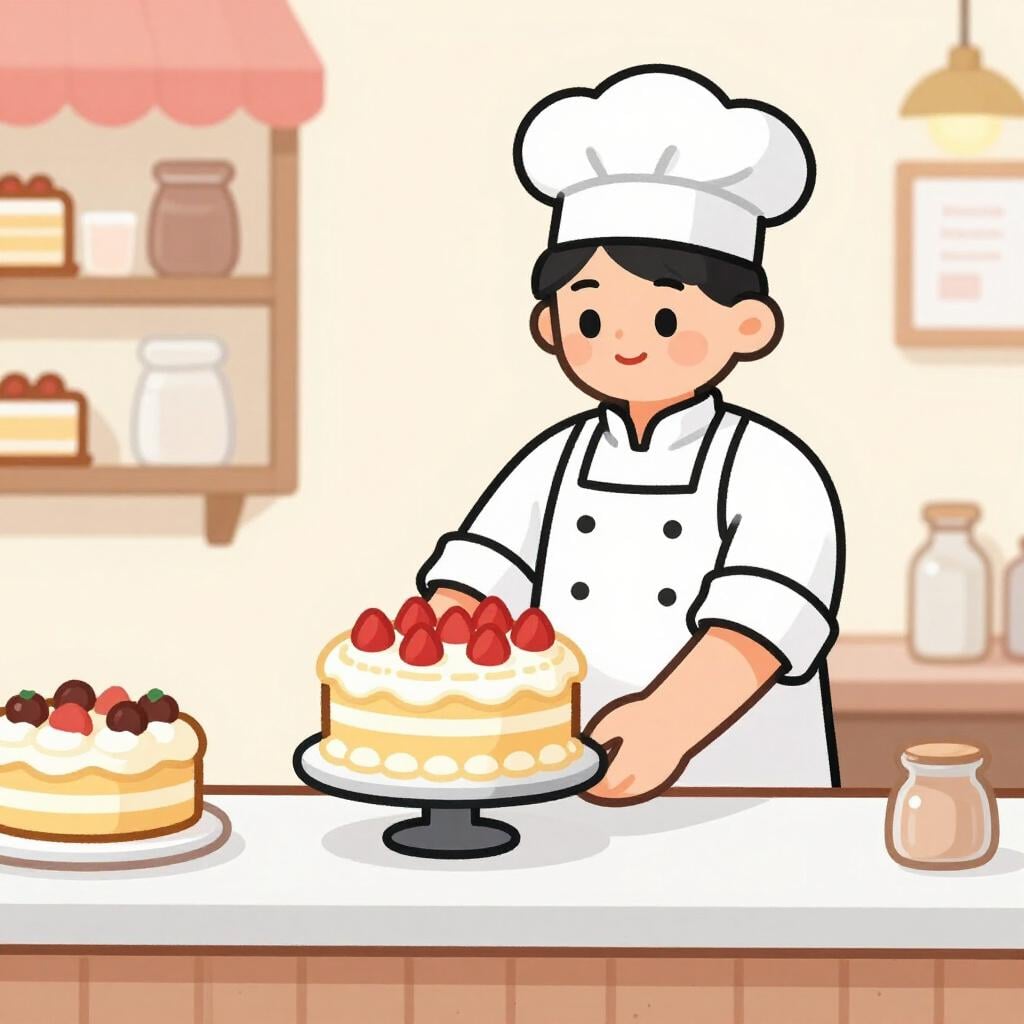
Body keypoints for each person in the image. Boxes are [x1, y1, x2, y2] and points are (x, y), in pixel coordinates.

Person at [417, 65, 844, 801]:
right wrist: (429, 674)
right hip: (554, 768)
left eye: (665, 316)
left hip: (740, 787)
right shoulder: (555, 460)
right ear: (551, 326)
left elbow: (759, 627)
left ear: (748, 326)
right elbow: (475, 583)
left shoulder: (773, 469)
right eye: (588, 316)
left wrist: (666, 724)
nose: (622, 341)